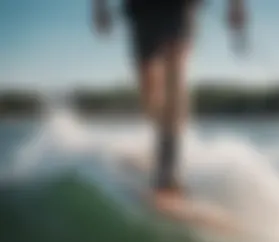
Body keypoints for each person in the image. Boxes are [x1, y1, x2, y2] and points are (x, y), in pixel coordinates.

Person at [92, 0, 247, 208]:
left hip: (180, 6)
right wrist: (99, 7)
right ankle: (159, 144)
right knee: (149, 90)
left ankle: (169, 171)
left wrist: (236, 6)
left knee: (176, 71)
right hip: (141, 8)